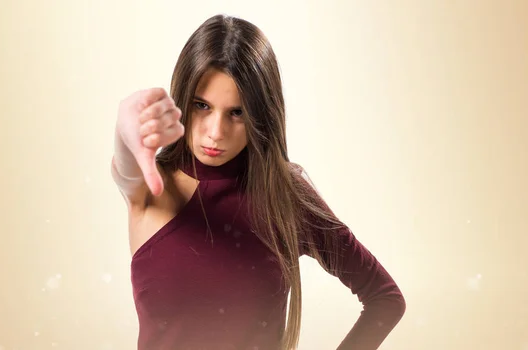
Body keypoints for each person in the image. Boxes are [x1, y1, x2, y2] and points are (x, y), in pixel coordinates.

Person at [111, 13, 406, 350]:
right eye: (202, 105)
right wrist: (124, 128)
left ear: (261, 115)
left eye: (237, 113)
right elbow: (124, 170)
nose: (216, 132)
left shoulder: (285, 197)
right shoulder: (152, 188)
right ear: (182, 100)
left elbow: (385, 298)